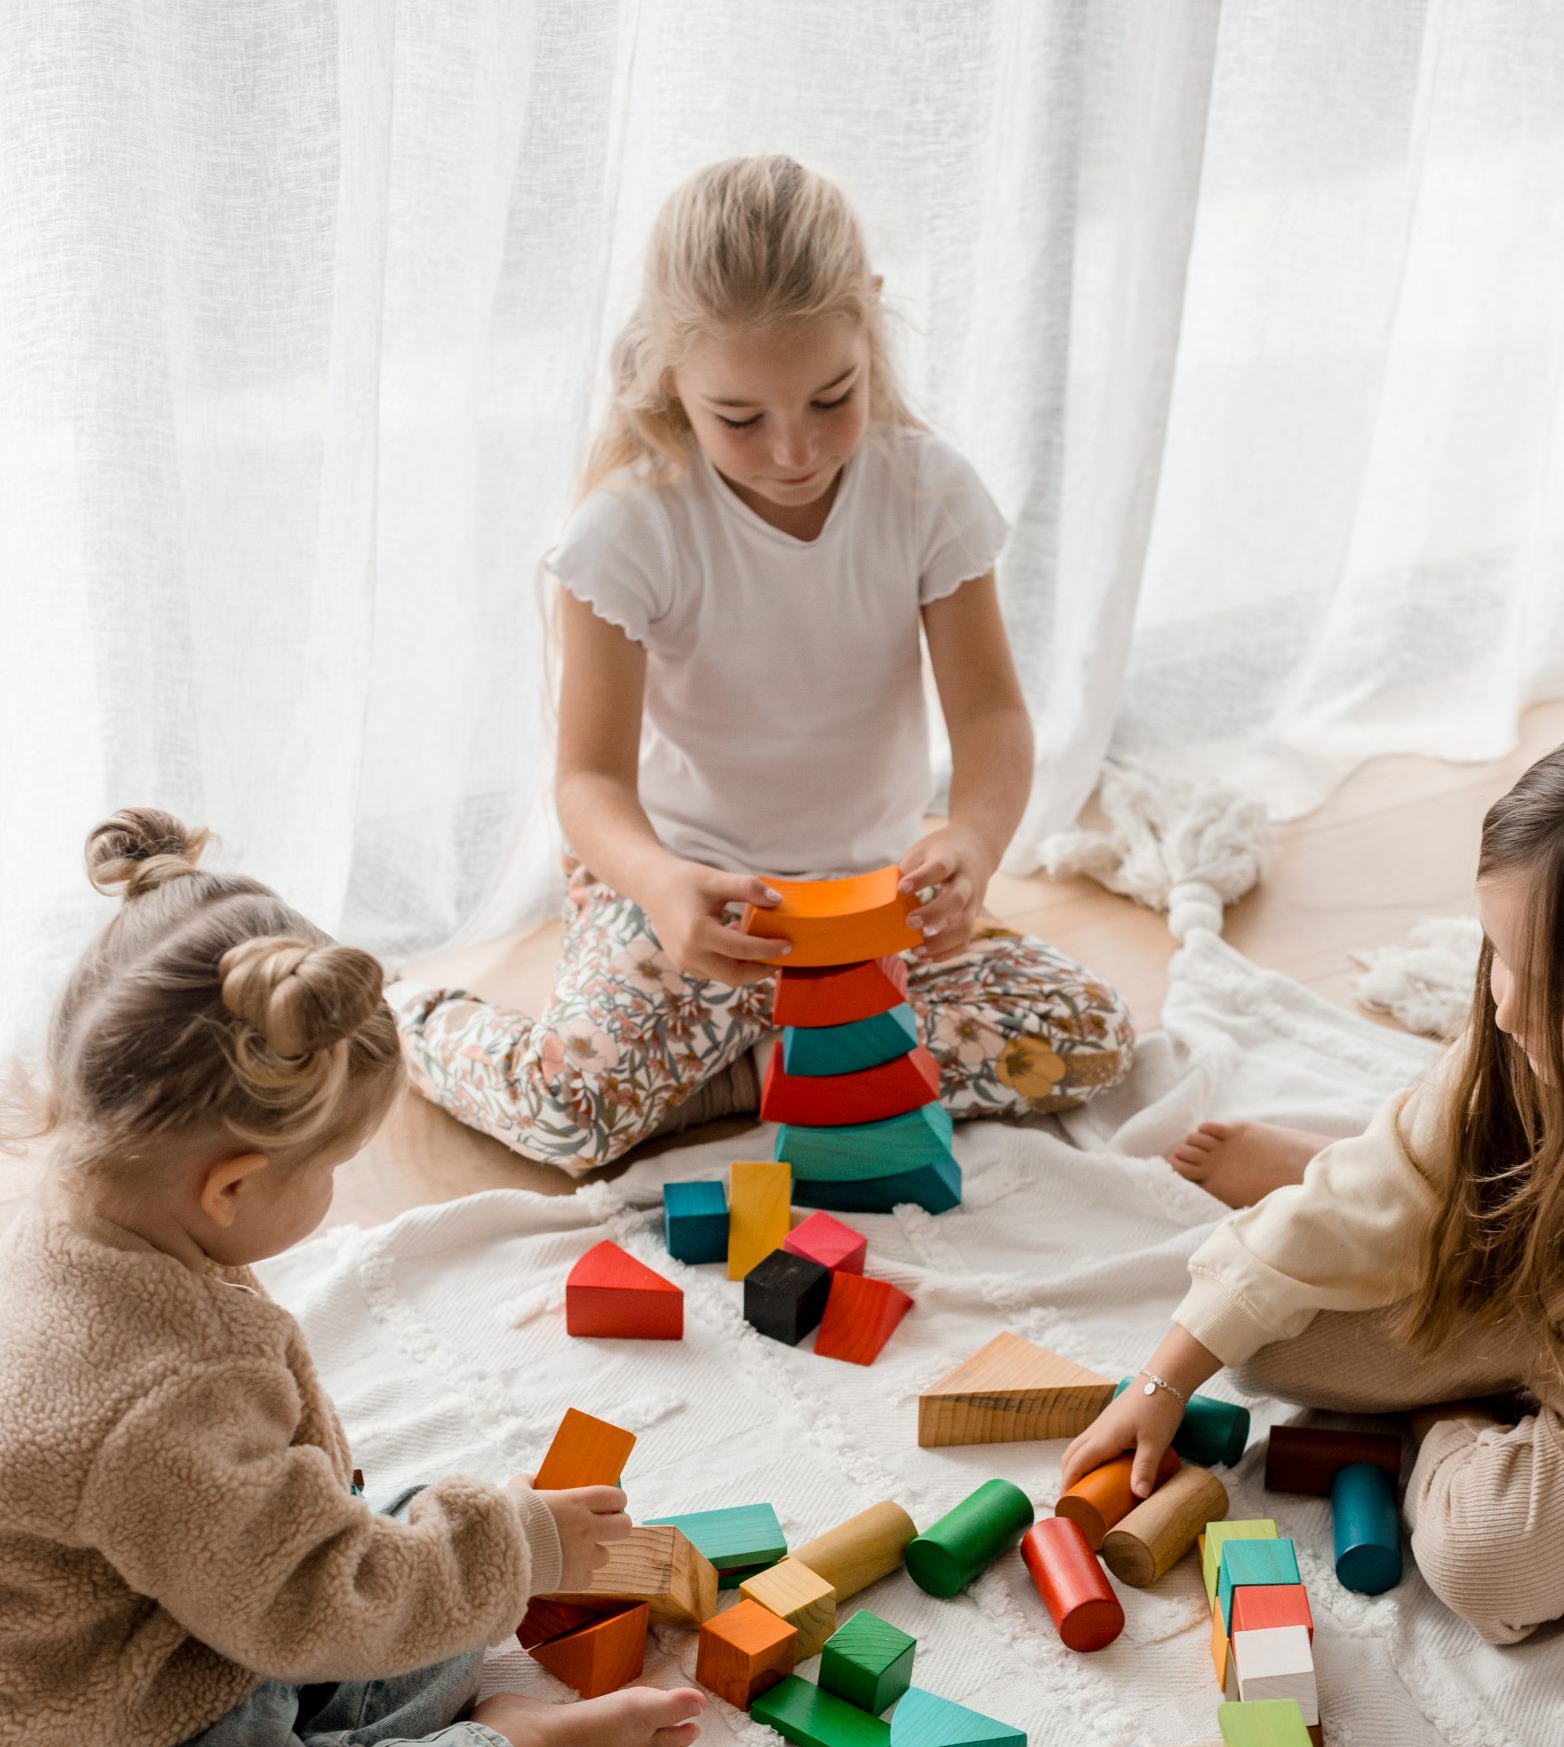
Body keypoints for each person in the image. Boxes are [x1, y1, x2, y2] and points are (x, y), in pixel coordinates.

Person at [0, 809, 705, 1747]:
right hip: (93, 1732)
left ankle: (422, 1636)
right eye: (329, 1168)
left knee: (416, 1589)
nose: (333, 1188)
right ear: (230, 1187)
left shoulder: (86, 1206)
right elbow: (299, 1594)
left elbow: (285, 1561)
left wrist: (494, 1555)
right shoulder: (150, 1402)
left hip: (206, 1606)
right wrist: (514, 1553)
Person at [395, 153, 1134, 1170]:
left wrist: (972, 839)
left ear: (869, 326)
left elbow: (994, 720)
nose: (794, 451)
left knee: (1091, 1036)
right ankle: (414, 1018)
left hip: (865, 901)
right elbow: (588, 782)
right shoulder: (630, 531)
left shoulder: (927, 495)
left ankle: (737, 1072)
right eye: (739, 419)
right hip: (686, 898)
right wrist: (658, 884)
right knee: (570, 1114)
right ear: (669, 375)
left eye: (833, 398)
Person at [1065, 709, 1564, 1747]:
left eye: (1546, 991)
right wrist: (1165, 1377)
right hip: (1534, 1277)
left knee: (1492, 1564)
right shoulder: (1509, 1046)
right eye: (1496, 957)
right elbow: (1351, 1209)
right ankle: (1368, 1174)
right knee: (1264, 1337)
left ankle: (1455, 1399)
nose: (1502, 1010)